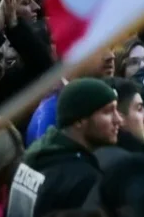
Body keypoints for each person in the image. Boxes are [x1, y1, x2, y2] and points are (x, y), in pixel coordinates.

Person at [7, 79, 121, 217]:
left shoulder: (33, 157)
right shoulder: (84, 180)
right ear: (79, 120)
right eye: (108, 112)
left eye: (117, 110)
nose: (118, 120)